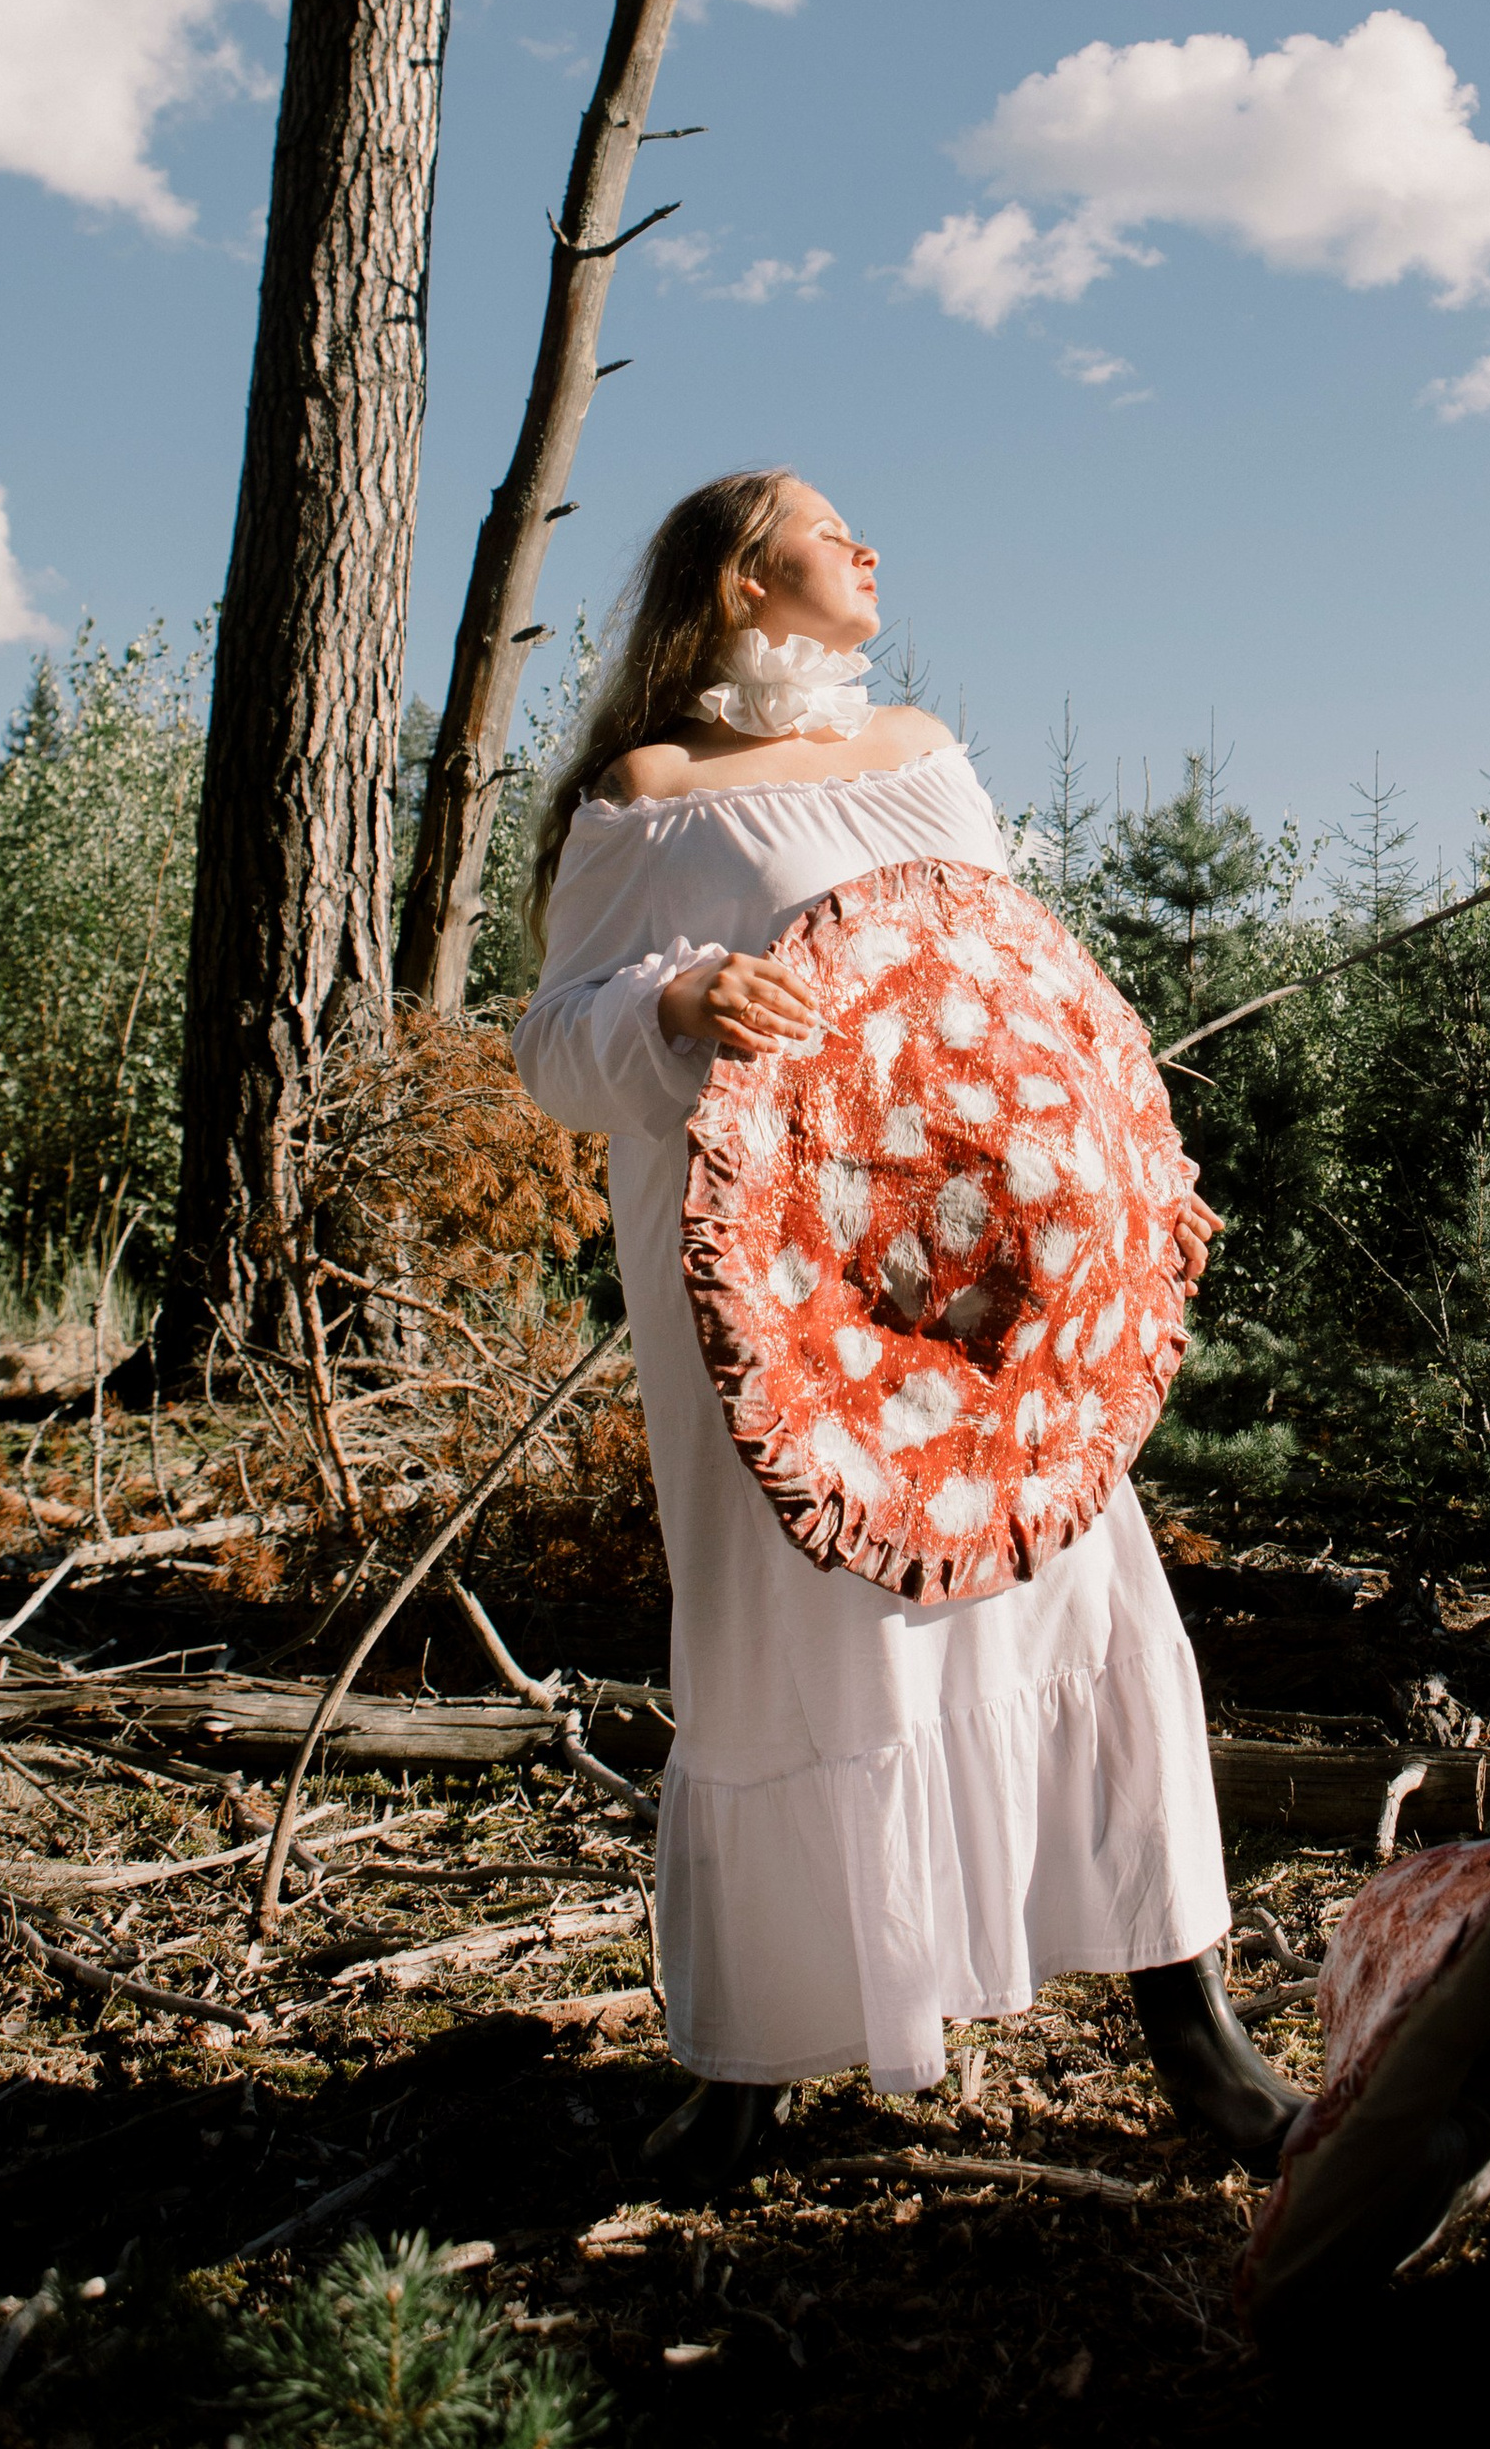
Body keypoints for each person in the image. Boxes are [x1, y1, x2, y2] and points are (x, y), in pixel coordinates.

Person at [514, 465, 1302, 2185]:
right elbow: (551, 1049)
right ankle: (755, 2063)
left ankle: (1197, 2032)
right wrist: (681, 994)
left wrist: (1096, 1166)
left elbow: (1006, 986)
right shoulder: (654, 797)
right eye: (823, 522)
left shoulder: (924, 754)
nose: (865, 546)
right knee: (795, 1634)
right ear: (737, 574)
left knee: (1074, 1588)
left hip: (982, 1284)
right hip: (777, 1296)